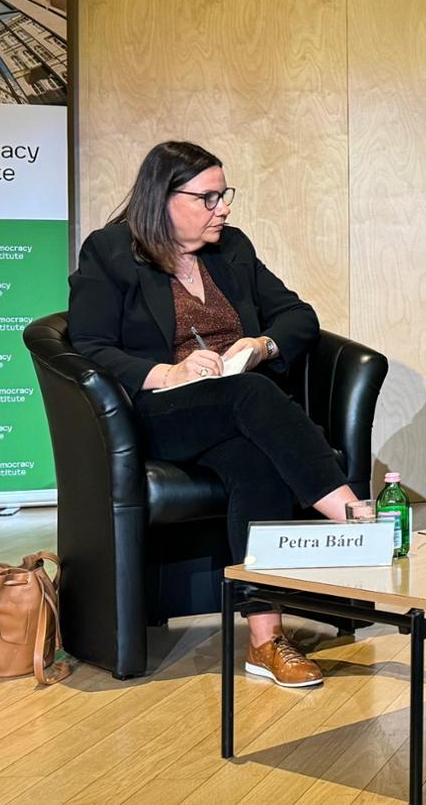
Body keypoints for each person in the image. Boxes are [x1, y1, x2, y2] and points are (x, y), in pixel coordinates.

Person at [68, 141, 361, 688]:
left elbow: (298, 315)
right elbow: (87, 344)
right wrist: (168, 372)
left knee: (255, 460)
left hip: (236, 412)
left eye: (223, 195)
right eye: (208, 197)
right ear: (164, 198)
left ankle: (266, 641)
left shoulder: (232, 249)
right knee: (252, 397)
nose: (222, 207)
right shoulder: (110, 251)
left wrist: (262, 345)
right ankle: (353, 519)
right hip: (159, 414)